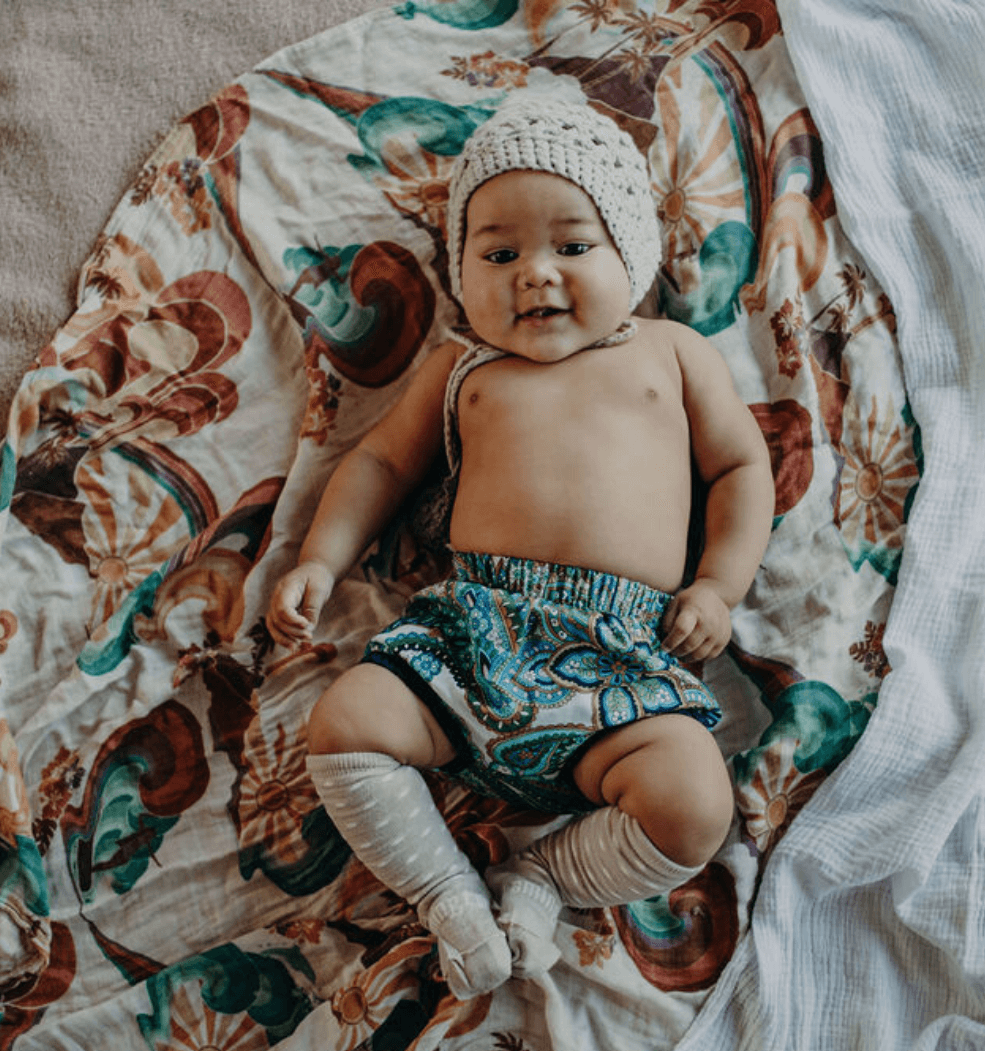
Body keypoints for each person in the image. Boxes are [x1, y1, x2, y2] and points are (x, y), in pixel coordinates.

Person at [267, 99, 774, 999]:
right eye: (499, 255)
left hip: (618, 662)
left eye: (574, 247)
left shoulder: (672, 353)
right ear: (461, 270)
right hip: (473, 638)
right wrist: (319, 558)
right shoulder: (462, 368)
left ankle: (543, 876)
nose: (535, 275)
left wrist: (717, 586)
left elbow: (740, 468)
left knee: (695, 805)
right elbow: (379, 463)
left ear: (631, 254)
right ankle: (447, 893)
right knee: (344, 721)